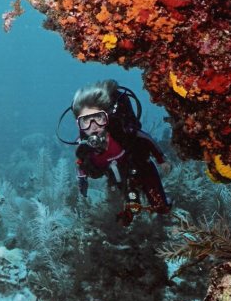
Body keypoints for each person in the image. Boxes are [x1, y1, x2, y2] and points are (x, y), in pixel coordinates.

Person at [71, 80, 173, 226]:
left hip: (141, 166)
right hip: (116, 176)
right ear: (79, 124)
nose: (93, 126)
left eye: (98, 118)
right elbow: (81, 165)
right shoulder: (84, 148)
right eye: (86, 121)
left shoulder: (121, 132)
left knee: (161, 207)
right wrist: (82, 182)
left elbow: (145, 138)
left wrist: (161, 159)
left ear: (106, 117)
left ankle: (165, 204)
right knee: (124, 217)